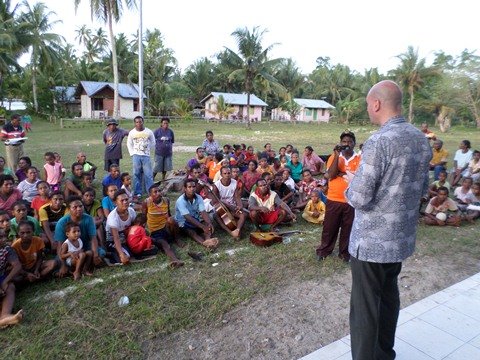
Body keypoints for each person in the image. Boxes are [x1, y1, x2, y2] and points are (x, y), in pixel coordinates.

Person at [346, 80, 431, 360]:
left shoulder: (379, 141)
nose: (368, 109)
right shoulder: (420, 138)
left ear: (377, 104)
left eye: (368, 105)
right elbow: (422, 190)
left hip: (371, 243)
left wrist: (350, 182)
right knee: (388, 298)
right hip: (399, 240)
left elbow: (359, 197)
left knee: (365, 308)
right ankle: (384, 354)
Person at [316, 130, 361, 262]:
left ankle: (345, 253)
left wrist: (342, 173)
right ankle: (324, 250)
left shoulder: (359, 158)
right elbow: (331, 174)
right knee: (330, 227)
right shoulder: (334, 157)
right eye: (344, 141)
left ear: (354, 143)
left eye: (350, 141)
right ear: (340, 143)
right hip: (334, 198)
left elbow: (359, 176)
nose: (347, 144)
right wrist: (336, 156)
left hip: (352, 200)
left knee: (348, 228)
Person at [54, 196, 101, 277]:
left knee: (100, 254)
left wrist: (95, 255)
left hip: (85, 247)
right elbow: (59, 245)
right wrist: (63, 265)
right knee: (59, 263)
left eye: (80, 206)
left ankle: (83, 268)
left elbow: (93, 238)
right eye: (75, 207)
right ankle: (75, 269)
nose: (79, 209)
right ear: (69, 209)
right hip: (68, 253)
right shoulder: (62, 223)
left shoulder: (89, 219)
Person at [142, 185, 184, 267]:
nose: (158, 193)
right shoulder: (146, 202)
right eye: (155, 192)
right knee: (165, 245)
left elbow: (168, 214)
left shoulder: (166, 200)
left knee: (171, 220)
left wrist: (172, 225)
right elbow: (144, 217)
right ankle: (175, 260)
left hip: (166, 228)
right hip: (155, 231)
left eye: (159, 191)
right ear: (150, 195)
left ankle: (177, 238)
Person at [174, 179, 219, 249]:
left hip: (195, 219)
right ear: (185, 189)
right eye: (189, 187)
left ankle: (208, 240)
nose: (192, 189)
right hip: (183, 223)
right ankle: (205, 244)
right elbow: (187, 217)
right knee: (192, 232)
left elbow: (203, 212)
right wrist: (202, 227)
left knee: (208, 225)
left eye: (194, 186)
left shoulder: (198, 197)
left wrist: (209, 223)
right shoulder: (181, 201)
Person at [212, 166, 247, 239]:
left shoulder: (235, 182)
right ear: (221, 175)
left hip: (232, 206)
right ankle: (230, 232)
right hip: (222, 208)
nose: (227, 175)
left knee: (243, 215)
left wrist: (240, 205)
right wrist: (227, 205)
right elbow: (216, 201)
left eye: (228, 173)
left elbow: (237, 196)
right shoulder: (216, 185)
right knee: (215, 215)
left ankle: (237, 230)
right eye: (225, 173)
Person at [0, 228, 24, 328]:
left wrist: (4, 282)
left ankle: (4, 315)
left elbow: (17, 265)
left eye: (2, 236)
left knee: (10, 287)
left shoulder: (6, 249)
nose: (2, 239)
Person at [127, 116, 155, 196]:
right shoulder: (132, 133)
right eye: (137, 122)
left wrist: (147, 149)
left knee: (148, 174)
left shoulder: (148, 132)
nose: (139, 123)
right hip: (136, 156)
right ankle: (137, 192)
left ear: (143, 122)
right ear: (135, 123)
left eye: (140, 122)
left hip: (146, 156)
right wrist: (132, 153)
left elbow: (153, 142)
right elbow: (129, 143)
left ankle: (150, 191)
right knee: (136, 174)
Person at [153, 117, 175, 182]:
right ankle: (152, 178)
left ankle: (163, 178)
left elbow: (172, 141)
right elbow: (153, 140)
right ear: (161, 124)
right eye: (164, 123)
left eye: (167, 123)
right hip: (159, 152)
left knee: (165, 167)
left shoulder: (170, 131)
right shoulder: (157, 131)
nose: (166, 125)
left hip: (168, 153)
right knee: (156, 167)